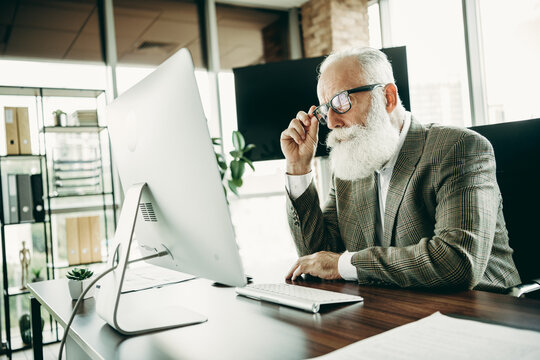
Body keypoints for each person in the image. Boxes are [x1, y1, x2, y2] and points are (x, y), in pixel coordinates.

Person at [280, 47, 520, 293]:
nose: (331, 122)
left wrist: (345, 264)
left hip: (483, 311)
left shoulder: (458, 148)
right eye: (324, 110)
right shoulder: (349, 169)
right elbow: (318, 259)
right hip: (397, 310)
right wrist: (298, 168)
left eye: (341, 101)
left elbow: (456, 262)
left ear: (388, 98)